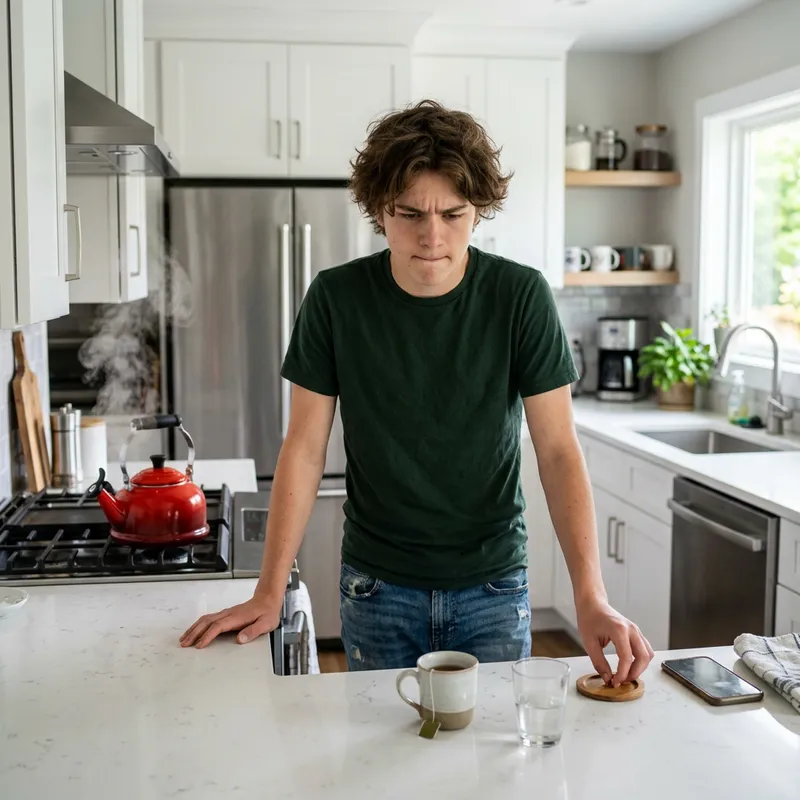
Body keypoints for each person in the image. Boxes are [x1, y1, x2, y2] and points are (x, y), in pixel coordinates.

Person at [180, 100, 655, 686]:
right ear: (381, 210)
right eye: (411, 214)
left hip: (494, 586)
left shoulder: (520, 296)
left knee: (499, 768)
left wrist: (591, 593)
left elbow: (557, 450)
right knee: (383, 766)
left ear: (477, 211)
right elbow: (304, 447)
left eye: (453, 215)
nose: (433, 237)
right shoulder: (336, 298)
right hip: (378, 588)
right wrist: (268, 590)